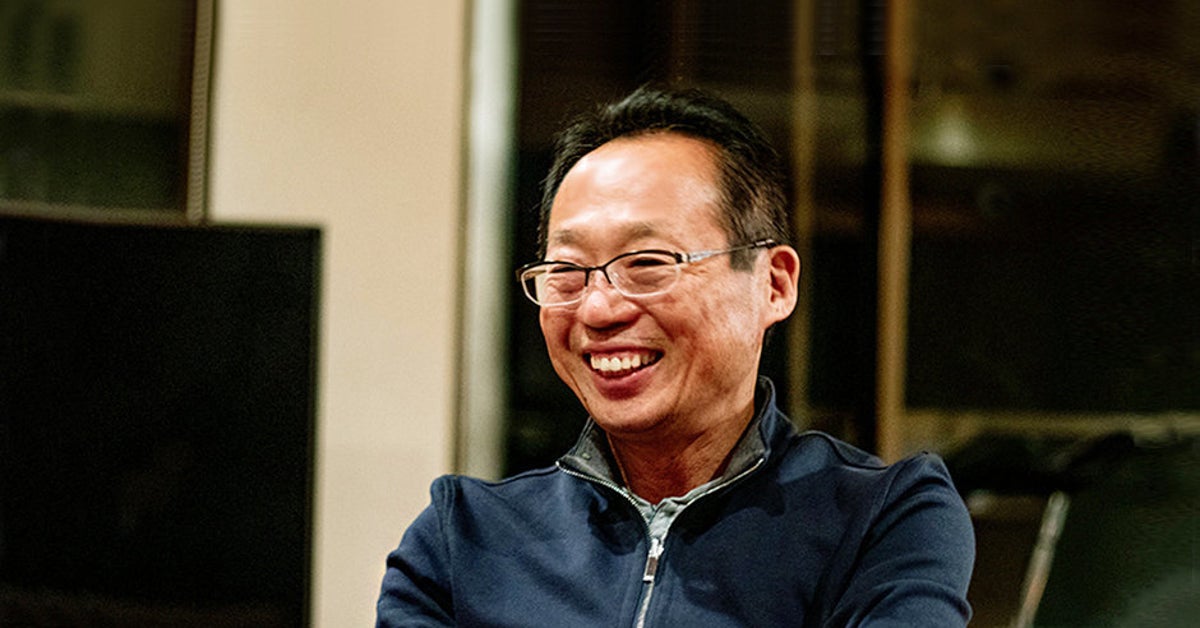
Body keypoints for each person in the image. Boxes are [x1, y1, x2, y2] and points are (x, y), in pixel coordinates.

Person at [377, 87, 975, 626]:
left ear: (774, 284)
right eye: (567, 271)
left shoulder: (880, 518)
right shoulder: (463, 538)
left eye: (647, 263)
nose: (598, 309)